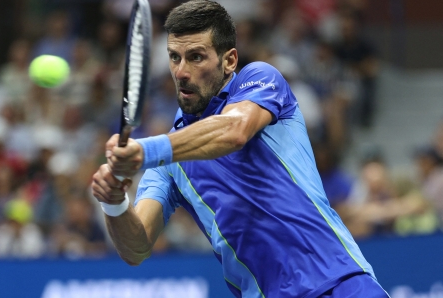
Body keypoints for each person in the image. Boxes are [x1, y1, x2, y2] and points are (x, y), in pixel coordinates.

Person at [90, 1, 389, 297]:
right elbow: (137, 248)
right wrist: (114, 201)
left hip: (340, 283)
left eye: (196, 57)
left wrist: (145, 151)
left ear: (229, 60)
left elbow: (234, 130)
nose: (181, 72)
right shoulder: (169, 158)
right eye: (174, 57)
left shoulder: (259, 78)